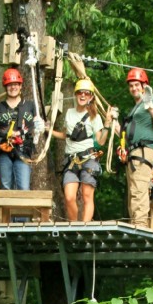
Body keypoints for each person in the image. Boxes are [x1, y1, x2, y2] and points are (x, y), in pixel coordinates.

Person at [52, 79, 118, 223]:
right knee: (69, 196)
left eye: (86, 94)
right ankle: (74, 225)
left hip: (88, 159)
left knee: (87, 195)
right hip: (71, 160)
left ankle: (85, 227)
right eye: (80, 93)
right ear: (76, 95)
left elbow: (100, 141)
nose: (83, 96)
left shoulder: (94, 116)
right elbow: (66, 135)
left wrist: (107, 124)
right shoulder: (69, 112)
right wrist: (49, 131)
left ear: (91, 97)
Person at [117, 67, 153, 228]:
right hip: (133, 152)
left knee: (139, 190)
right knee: (133, 193)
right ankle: (136, 224)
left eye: (137, 84)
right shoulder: (134, 109)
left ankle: (140, 226)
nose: (134, 88)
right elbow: (124, 134)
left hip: (143, 151)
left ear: (144, 85)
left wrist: (150, 105)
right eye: (131, 85)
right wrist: (113, 122)